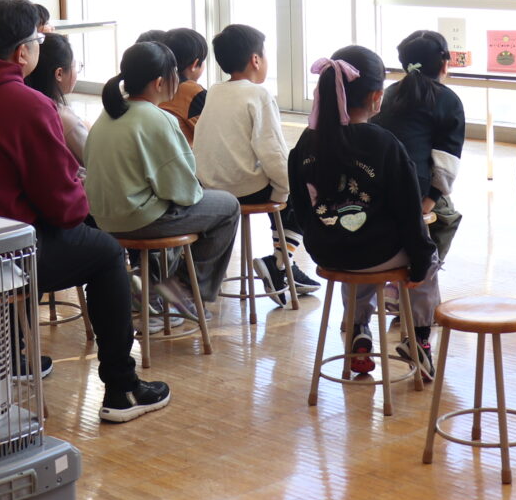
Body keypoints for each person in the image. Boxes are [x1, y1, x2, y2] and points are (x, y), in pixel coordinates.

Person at [0, 0, 171, 424]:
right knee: (103, 253)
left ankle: (13, 358)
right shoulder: (26, 104)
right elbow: (63, 208)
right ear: (22, 51)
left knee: (20, 225)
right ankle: (121, 388)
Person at [286, 46, 441, 380]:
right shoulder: (384, 143)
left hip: (328, 253)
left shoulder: (304, 145)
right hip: (378, 253)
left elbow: (299, 208)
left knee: (355, 242)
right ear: (376, 97)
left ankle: (358, 331)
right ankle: (420, 340)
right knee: (424, 253)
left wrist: (325, 235)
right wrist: (421, 260)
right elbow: (408, 214)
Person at [85, 41, 240, 313]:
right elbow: (183, 192)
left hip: (104, 219)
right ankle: (185, 288)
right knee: (228, 206)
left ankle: (149, 286)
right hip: (139, 219)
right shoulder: (157, 118)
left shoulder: (107, 115)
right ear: (159, 82)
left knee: (184, 203)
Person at [192, 23, 316, 306]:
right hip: (244, 188)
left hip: (211, 188)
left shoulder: (214, 91)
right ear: (256, 60)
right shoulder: (258, 95)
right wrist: (286, 190)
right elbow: (272, 151)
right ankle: (281, 264)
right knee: (300, 188)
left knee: (282, 184)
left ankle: (282, 265)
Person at [372, 29, 467, 260]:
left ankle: (399, 262)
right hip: (414, 187)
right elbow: (447, 162)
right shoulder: (448, 99)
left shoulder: (388, 94)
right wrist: (430, 199)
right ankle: (422, 269)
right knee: (447, 218)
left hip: (374, 184)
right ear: (445, 64)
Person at [24, 32, 87, 165]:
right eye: (74, 66)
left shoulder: (25, 105)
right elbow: (96, 161)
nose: (76, 72)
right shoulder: (64, 118)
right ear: (59, 73)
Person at [157, 28, 209, 143]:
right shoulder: (193, 92)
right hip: (186, 158)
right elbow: (211, 136)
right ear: (195, 64)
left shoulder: (154, 88)